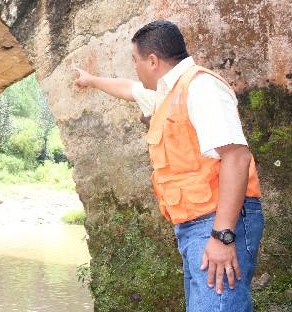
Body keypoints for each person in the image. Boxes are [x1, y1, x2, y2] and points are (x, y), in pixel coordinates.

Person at [72, 20, 263, 311]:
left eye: (135, 61)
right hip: (195, 226)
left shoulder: (200, 87)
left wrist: (223, 236)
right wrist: (91, 80)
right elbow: (129, 89)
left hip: (218, 223)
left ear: (152, 61)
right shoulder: (168, 94)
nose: (134, 68)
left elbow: (236, 157)